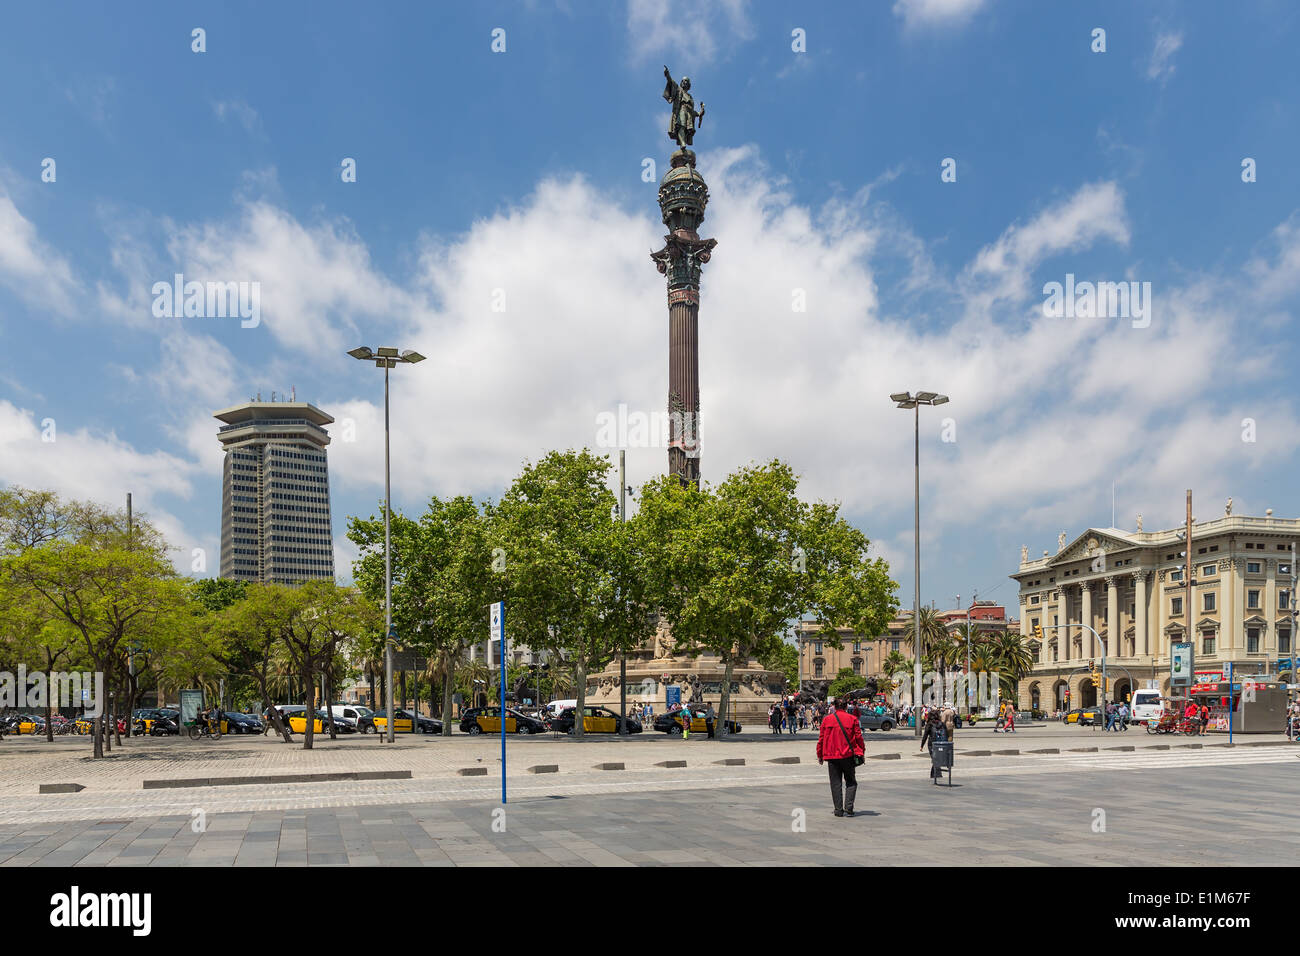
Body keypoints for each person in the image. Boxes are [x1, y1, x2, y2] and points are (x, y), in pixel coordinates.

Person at [816, 697, 865, 817]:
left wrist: (820, 754)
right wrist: (862, 751)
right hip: (848, 755)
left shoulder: (827, 720)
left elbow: (821, 739)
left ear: (834, 707)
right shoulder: (852, 719)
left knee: (835, 783)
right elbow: (859, 738)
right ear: (846, 707)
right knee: (851, 781)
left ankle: (838, 810)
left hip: (832, 756)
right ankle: (849, 807)